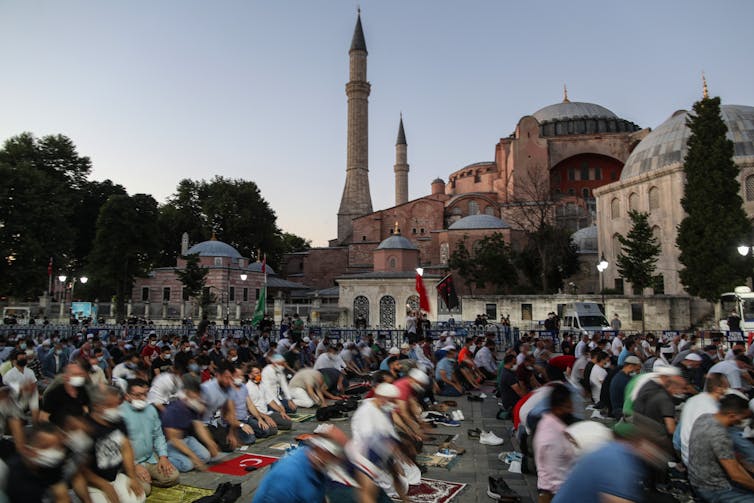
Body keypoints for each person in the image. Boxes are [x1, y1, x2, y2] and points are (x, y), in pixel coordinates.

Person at [83, 386, 146, 503]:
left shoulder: (118, 421)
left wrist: (132, 477)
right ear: (97, 406)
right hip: (92, 483)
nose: (116, 409)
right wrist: (104, 486)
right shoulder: (84, 429)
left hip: (116, 476)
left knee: (139, 497)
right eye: (111, 406)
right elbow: (81, 469)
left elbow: (126, 448)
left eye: (117, 405)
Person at [687, 393, 754, 500]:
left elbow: (733, 459)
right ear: (732, 415)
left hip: (696, 480)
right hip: (714, 489)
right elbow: (736, 475)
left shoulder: (704, 417)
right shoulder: (720, 435)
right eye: (742, 418)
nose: (742, 422)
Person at [119, 379, 179, 494]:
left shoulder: (151, 410)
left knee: (173, 477)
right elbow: (117, 447)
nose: (142, 398)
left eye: (145, 394)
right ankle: (128, 476)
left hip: (150, 457)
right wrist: (134, 466)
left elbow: (158, 435)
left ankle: (149, 479)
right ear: (127, 396)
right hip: (130, 462)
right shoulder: (120, 414)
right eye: (137, 395)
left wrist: (163, 456)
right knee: (144, 491)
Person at [252, 433, 345, 503]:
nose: (333, 461)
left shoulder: (319, 464)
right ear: (318, 450)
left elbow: (320, 494)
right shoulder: (287, 475)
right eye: (330, 457)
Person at [5, 422, 80, 503]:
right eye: (46, 447)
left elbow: (62, 496)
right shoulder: (14, 475)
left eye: (57, 447)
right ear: (28, 450)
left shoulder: (52, 464)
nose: (53, 453)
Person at [161, 380, 220, 472]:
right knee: (187, 465)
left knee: (205, 457)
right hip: (170, 443)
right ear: (187, 394)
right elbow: (174, 439)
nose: (199, 398)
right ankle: (163, 459)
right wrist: (193, 457)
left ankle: (186, 457)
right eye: (196, 395)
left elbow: (199, 426)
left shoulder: (193, 407)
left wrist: (210, 443)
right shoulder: (173, 410)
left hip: (187, 439)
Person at [533, 383, 576, 502]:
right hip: (555, 494)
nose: (572, 410)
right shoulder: (551, 436)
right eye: (568, 407)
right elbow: (555, 475)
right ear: (557, 408)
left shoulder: (551, 423)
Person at [677, 373, 729, 465]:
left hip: (685, 453)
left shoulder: (692, 400)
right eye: (726, 386)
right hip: (699, 460)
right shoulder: (713, 410)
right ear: (718, 388)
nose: (727, 390)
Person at [40, 363, 90, 427]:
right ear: (66, 377)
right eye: (75, 375)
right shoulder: (54, 394)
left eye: (80, 374)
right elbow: (44, 418)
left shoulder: (82, 389)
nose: (79, 377)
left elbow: (85, 406)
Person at [246, 366, 292, 430]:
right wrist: (264, 417)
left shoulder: (262, 385)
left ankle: (271, 426)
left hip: (266, 413)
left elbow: (270, 401)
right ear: (250, 375)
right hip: (255, 416)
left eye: (260, 373)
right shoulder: (247, 388)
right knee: (271, 430)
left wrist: (281, 411)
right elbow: (250, 408)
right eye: (257, 373)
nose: (259, 375)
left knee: (288, 423)